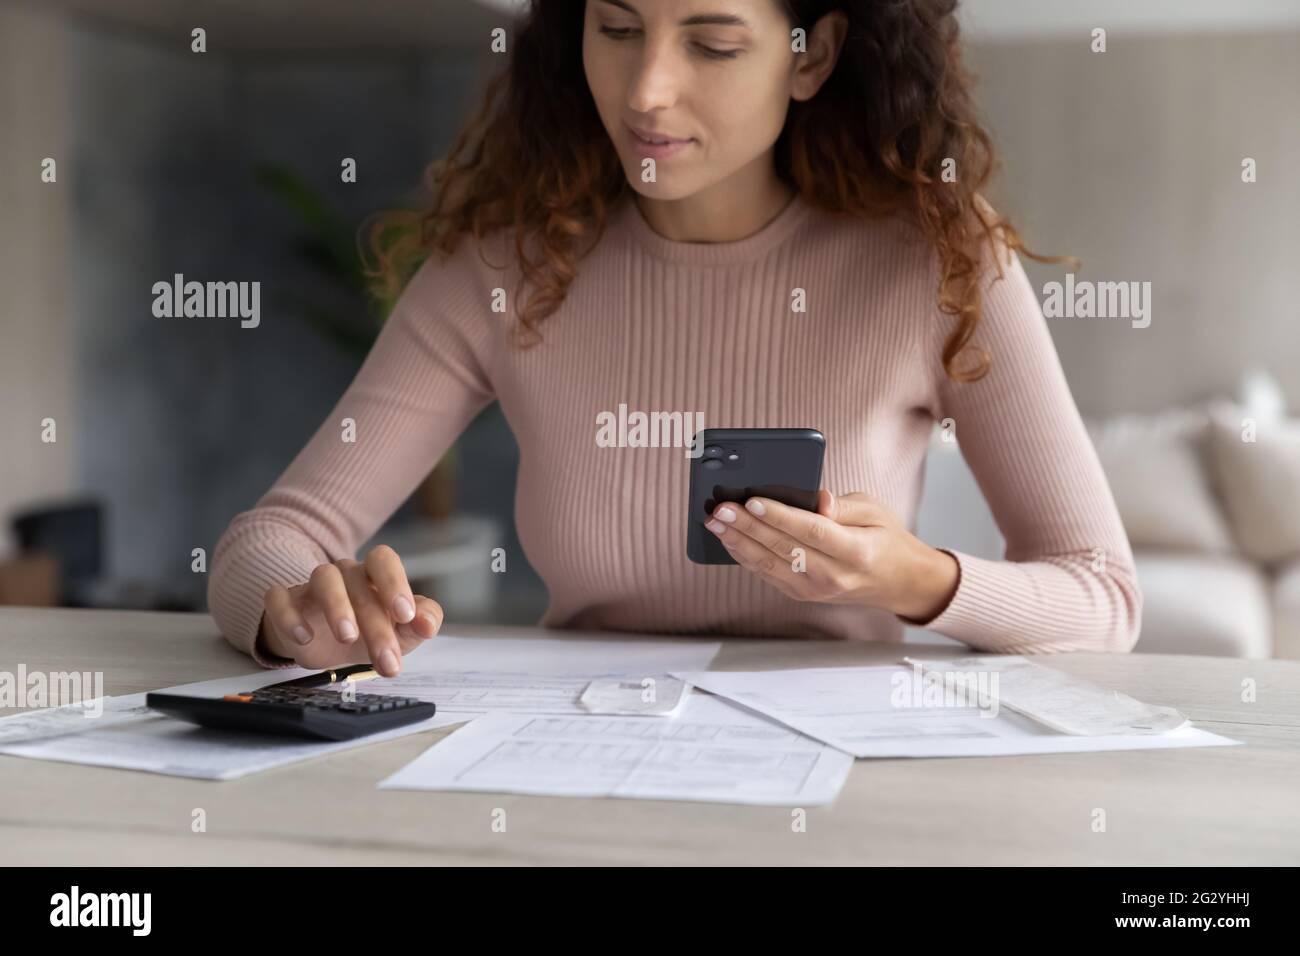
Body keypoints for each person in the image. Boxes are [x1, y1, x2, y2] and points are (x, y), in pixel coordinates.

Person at [209, 0, 1142, 674]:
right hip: (577, 750)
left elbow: (1103, 597)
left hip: (848, 776)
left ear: (810, 56)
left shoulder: (938, 258)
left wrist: (917, 579)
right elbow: (273, 537)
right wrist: (294, 616)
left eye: (713, 42)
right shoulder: (501, 269)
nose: (647, 90)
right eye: (616, 29)